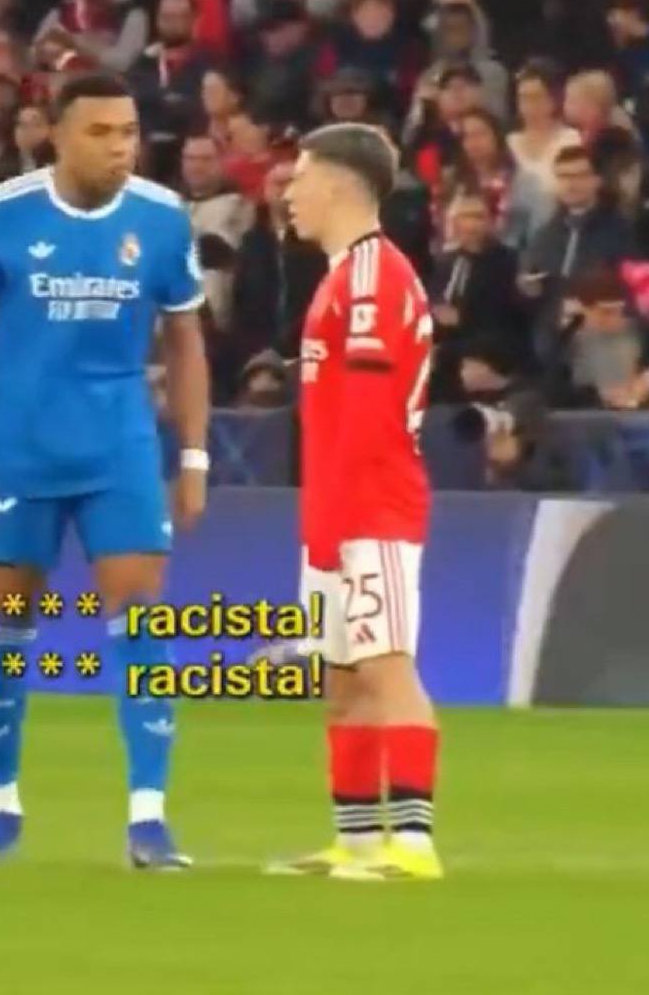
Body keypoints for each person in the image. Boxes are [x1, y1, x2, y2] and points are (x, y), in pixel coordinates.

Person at [0, 72, 209, 870]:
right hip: (21, 448)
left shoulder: (161, 218)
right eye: (101, 132)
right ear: (58, 135)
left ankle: (149, 818)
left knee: (143, 618)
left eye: (129, 132)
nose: (120, 147)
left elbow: (185, 341)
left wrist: (193, 454)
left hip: (120, 448)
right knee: (2, 630)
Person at [260, 122, 441, 882]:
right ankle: (357, 841)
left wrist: (340, 526)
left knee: (386, 665)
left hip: (374, 506)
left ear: (338, 182)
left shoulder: (372, 276)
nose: (288, 193)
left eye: (299, 177)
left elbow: (369, 415)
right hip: (336, 509)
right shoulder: (342, 275)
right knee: (342, 678)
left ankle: (415, 843)